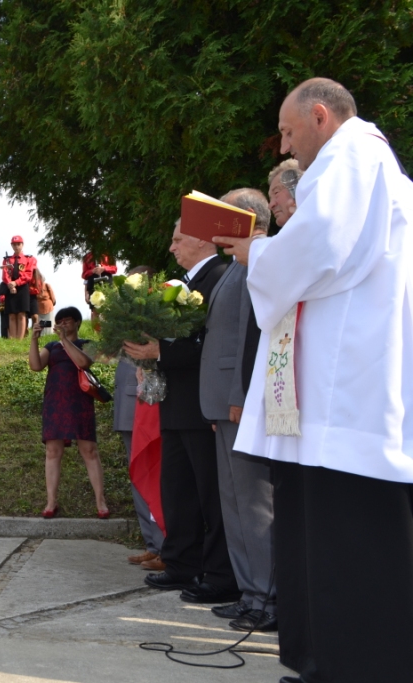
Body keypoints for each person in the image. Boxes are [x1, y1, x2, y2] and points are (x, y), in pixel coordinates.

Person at [215, 78, 413, 683]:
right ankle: (323, 662)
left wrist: (258, 255)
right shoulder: (368, 161)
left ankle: (348, 667)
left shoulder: (351, 156)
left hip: (345, 392)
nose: (285, 145)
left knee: (347, 545)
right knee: (326, 539)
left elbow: (321, 245)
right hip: (345, 385)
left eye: (289, 131)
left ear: (320, 116)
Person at [124, 221, 236, 605]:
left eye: (177, 239)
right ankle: (181, 562)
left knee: (210, 494)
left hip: (201, 405)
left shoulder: (220, 276)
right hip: (175, 402)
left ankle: (221, 573)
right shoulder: (185, 284)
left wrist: (161, 353)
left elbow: (211, 344)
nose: (171, 248)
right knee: (178, 490)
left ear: (203, 238)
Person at [197, 189, 277, 632]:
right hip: (223, 404)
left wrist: (239, 396)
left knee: (254, 503)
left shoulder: (258, 261)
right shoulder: (237, 265)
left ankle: (267, 596)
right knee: (234, 504)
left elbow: (251, 336)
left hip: (239, 401)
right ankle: (251, 593)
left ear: (244, 219)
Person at [28, 307, 107, 518]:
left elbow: (83, 362)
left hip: (79, 401)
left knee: (89, 450)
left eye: (68, 320)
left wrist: (65, 340)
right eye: (59, 320)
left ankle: (101, 502)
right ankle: (51, 502)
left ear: (78, 323)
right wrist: (34, 340)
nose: (63, 323)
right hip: (55, 401)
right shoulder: (51, 346)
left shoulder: (86, 344)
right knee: (52, 451)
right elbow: (36, 365)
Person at [113, 267, 165, 570]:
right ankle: (151, 543)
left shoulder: (158, 313)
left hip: (148, 402)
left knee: (155, 475)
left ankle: (165, 546)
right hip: (126, 404)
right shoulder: (122, 317)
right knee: (138, 477)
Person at [2, 236, 36, 340]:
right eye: (14, 244)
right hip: (10, 287)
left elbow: (28, 274)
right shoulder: (7, 260)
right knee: (12, 314)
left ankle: (20, 339)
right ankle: (13, 339)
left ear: (22, 245)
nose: (16, 246)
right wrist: (10, 284)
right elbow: (5, 274)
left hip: (22, 287)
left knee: (21, 314)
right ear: (11, 245)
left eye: (18, 244)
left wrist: (16, 283)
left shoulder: (29, 258)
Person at [82, 252, 116, 328]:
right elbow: (84, 274)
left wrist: (104, 268)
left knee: (109, 307)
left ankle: (109, 331)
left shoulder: (109, 254)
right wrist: (92, 271)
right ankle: (97, 333)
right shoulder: (87, 256)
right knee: (95, 310)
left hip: (107, 283)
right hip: (93, 285)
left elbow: (114, 268)